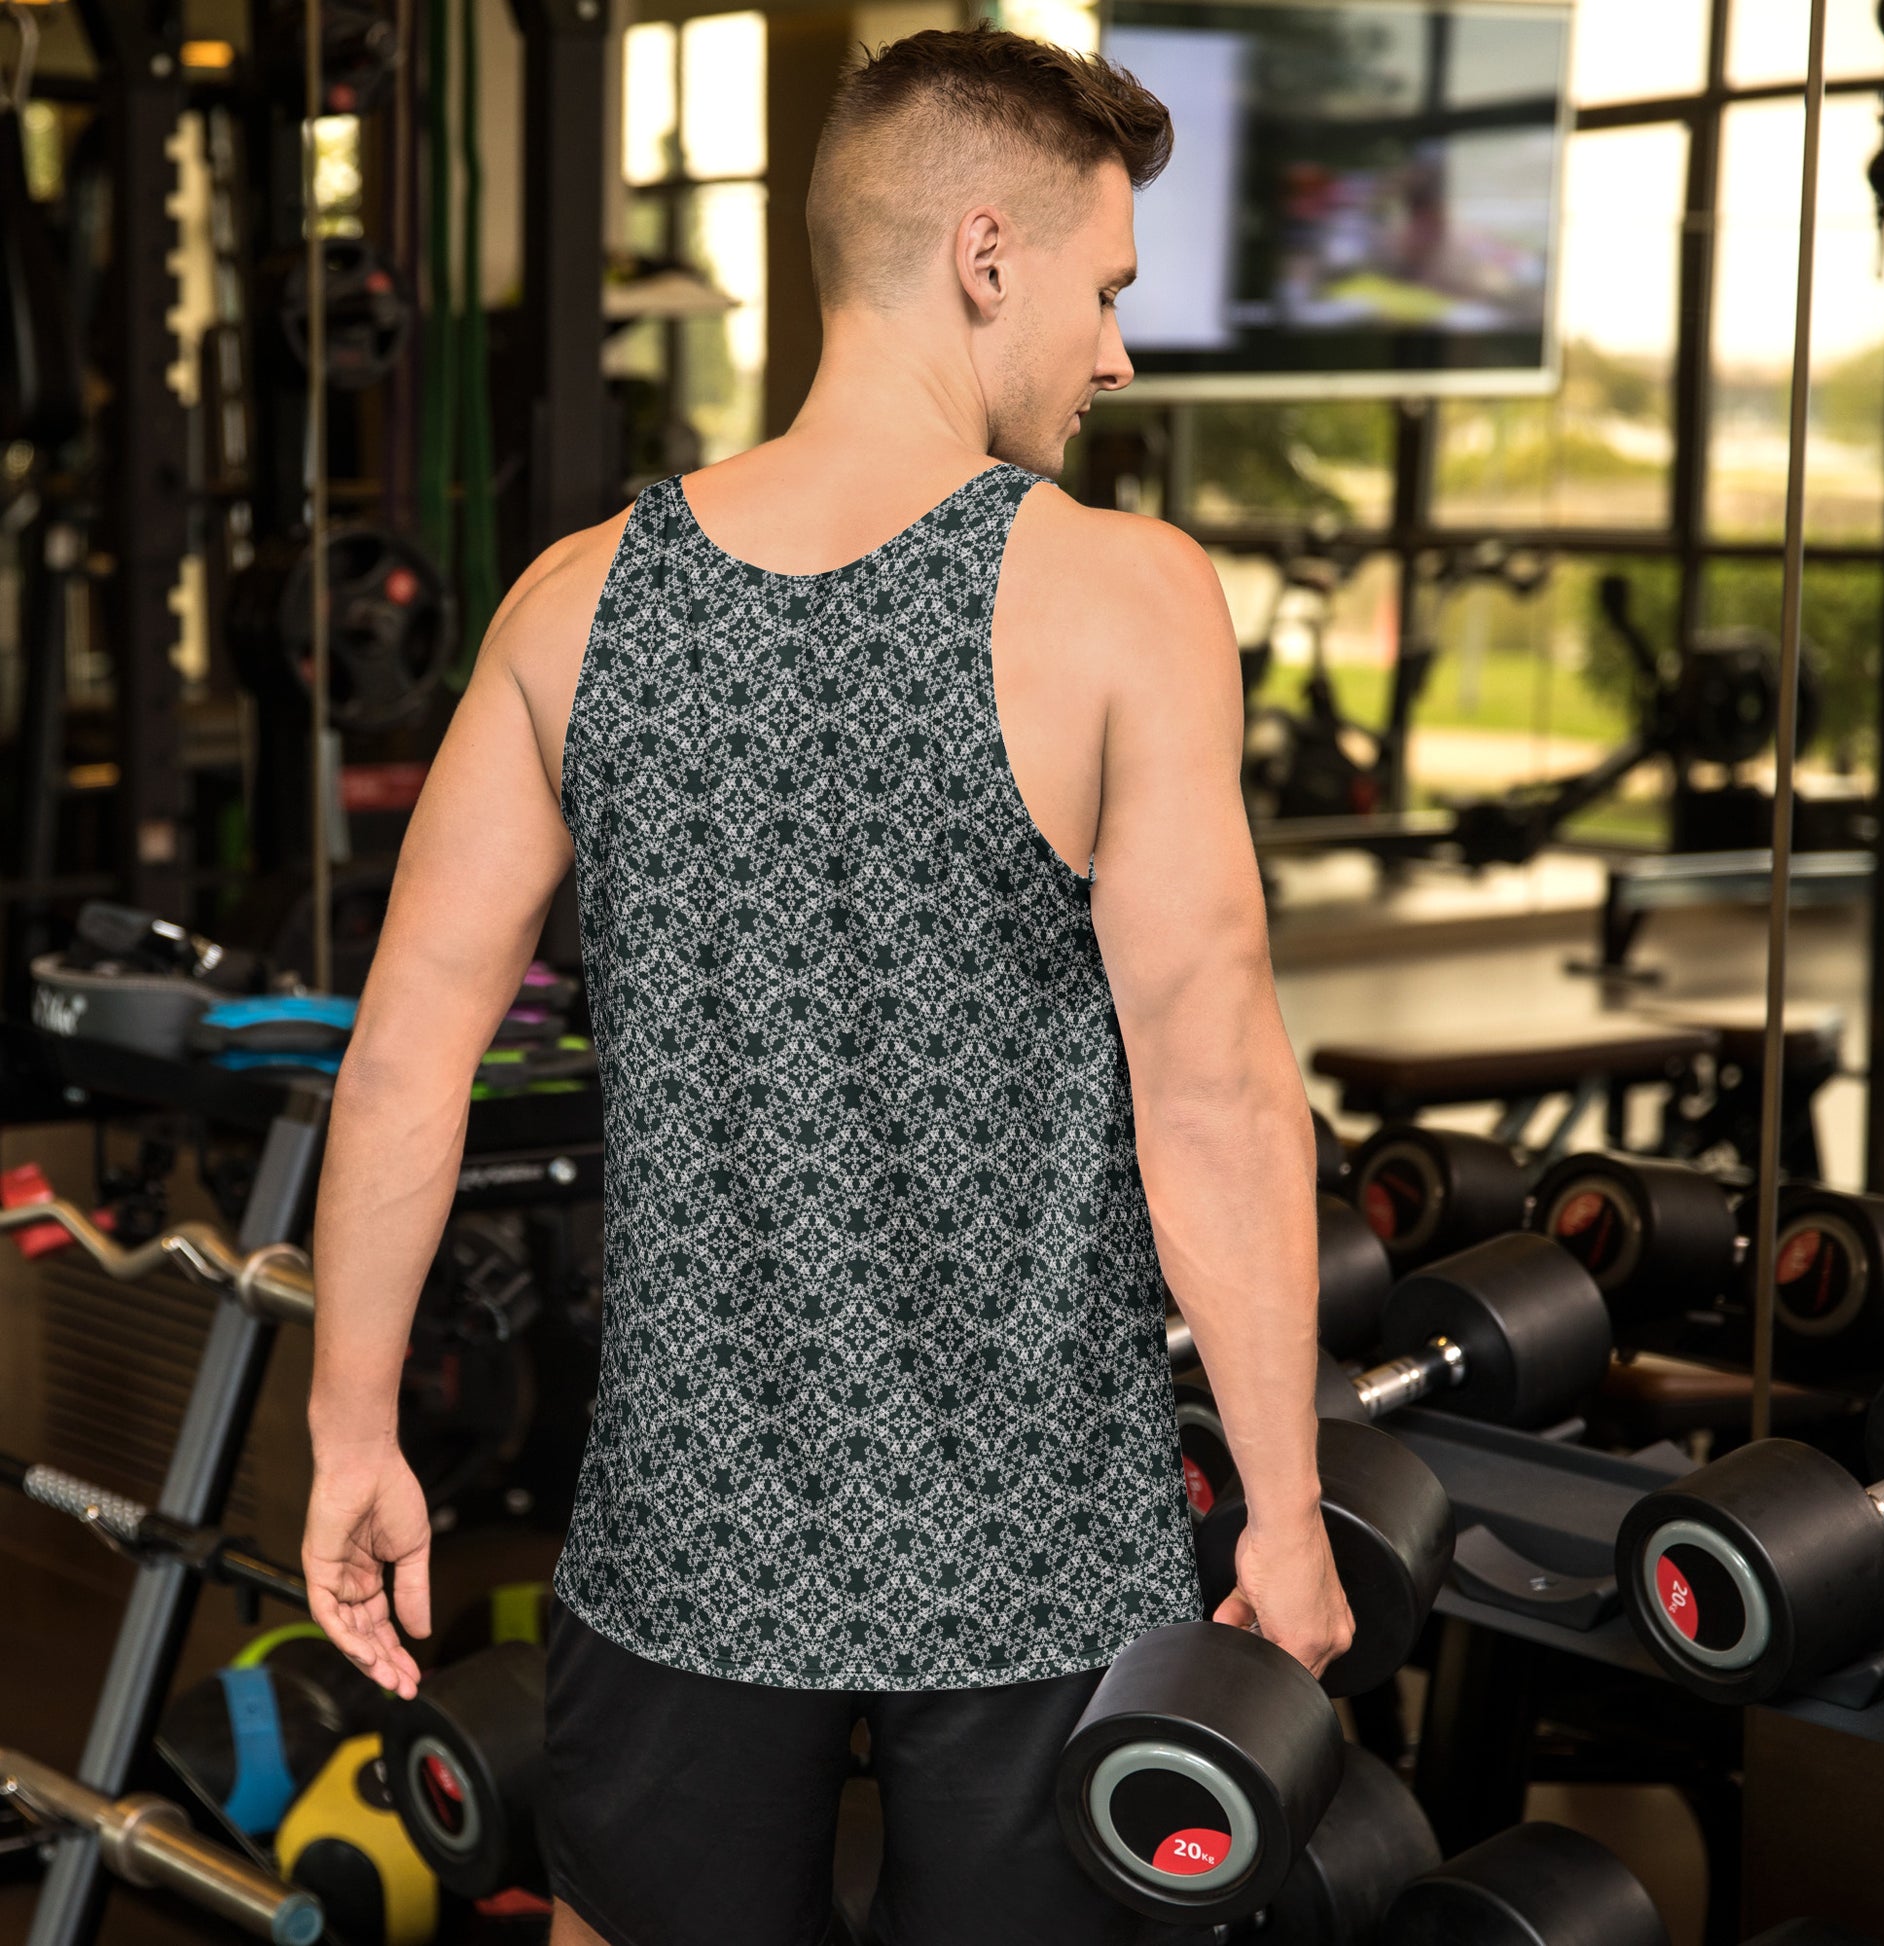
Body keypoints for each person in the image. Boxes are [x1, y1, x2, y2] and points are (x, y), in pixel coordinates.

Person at [301, 23, 1351, 1946]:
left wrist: (352, 1433)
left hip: (682, 1547)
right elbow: (1212, 1098)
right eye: (1106, 291)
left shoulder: (570, 603)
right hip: (1038, 1561)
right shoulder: (1124, 599)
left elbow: (402, 1060)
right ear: (984, 257)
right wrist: (1281, 1516)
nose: (1115, 355)